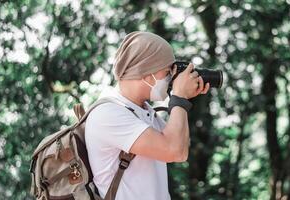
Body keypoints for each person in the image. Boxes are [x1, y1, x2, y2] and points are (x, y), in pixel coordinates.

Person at [85, 31, 210, 200]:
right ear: (145, 72)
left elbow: (181, 146)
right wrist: (179, 98)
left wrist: (183, 99)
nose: (172, 78)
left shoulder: (142, 110)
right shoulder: (108, 113)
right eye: (168, 72)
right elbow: (174, 151)